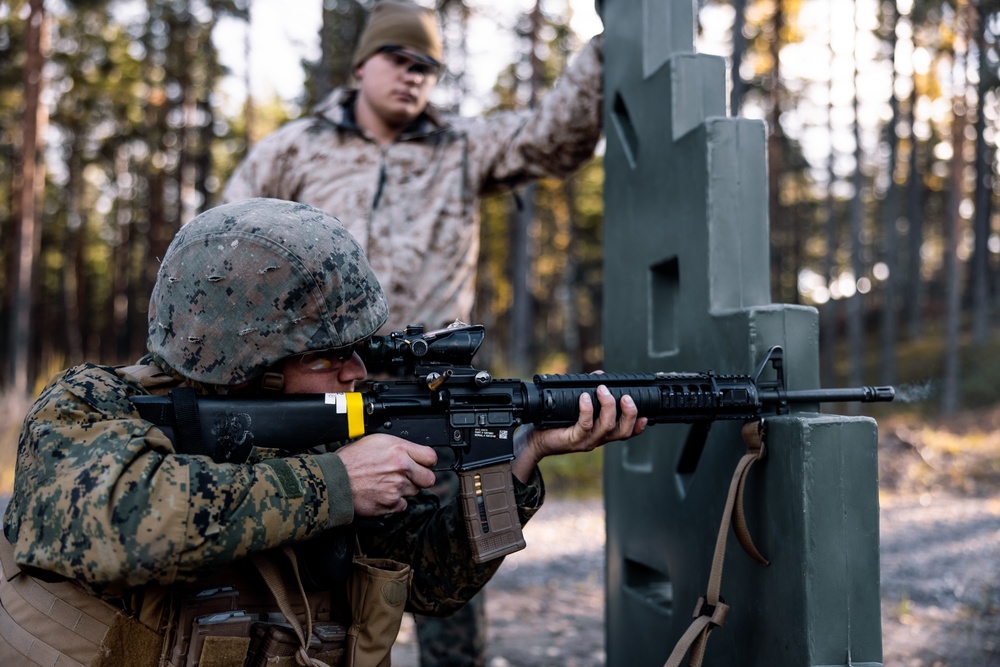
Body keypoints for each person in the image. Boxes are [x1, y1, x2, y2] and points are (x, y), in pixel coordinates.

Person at [0, 198, 644, 667]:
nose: (356, 373)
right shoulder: (92, 405)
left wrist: (520, 465)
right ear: (248, 362)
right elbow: (127, 523)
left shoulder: (334, 431)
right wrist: (337, 484)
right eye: (326, 358)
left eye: (360, 351)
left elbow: (430, 586)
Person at [221, 3, 604, 662]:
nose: (414, 76)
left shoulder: (462, 144)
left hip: (436, 396)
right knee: (310, 580)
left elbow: (555, 137)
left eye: (428, 67)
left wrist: (608, 46)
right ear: (363, 63)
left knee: (459, 565)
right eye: (401, 60)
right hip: (320, 394)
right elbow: (226, 249)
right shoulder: (292, 148)